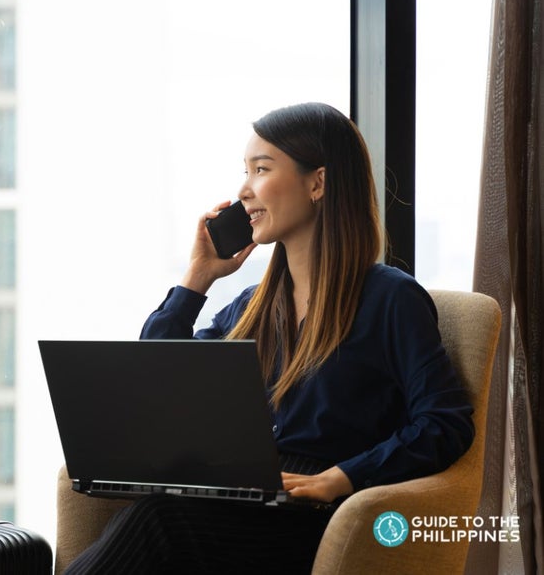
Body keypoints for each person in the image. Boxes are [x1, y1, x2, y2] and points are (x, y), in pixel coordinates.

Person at [64, 102, 475, 574]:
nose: (243, 190)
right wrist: (197, 278)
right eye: (245, 171)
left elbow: (445, 422)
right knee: (155, 514)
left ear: (317, 182)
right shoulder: (253, 306)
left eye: (261, 169)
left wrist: (342, 477)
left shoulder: (390, 299)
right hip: (238, 500)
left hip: (320, 518)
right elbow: (158, 387)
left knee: (161, 522)